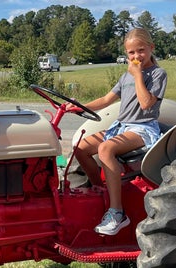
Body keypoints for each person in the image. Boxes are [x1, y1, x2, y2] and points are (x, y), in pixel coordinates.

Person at [66, 28, 167, 235]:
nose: (136, 56)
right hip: (121, 126)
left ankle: (117, 213)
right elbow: (105, 100)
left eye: (141, 50)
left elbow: (146, 104)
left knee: (105, 149)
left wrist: (138, 75)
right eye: (131, 53)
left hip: (143, 128)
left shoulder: (157, 74)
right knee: (81, 147)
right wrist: (80, 106)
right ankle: (100, 192)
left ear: (151, 48)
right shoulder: (125, 77)